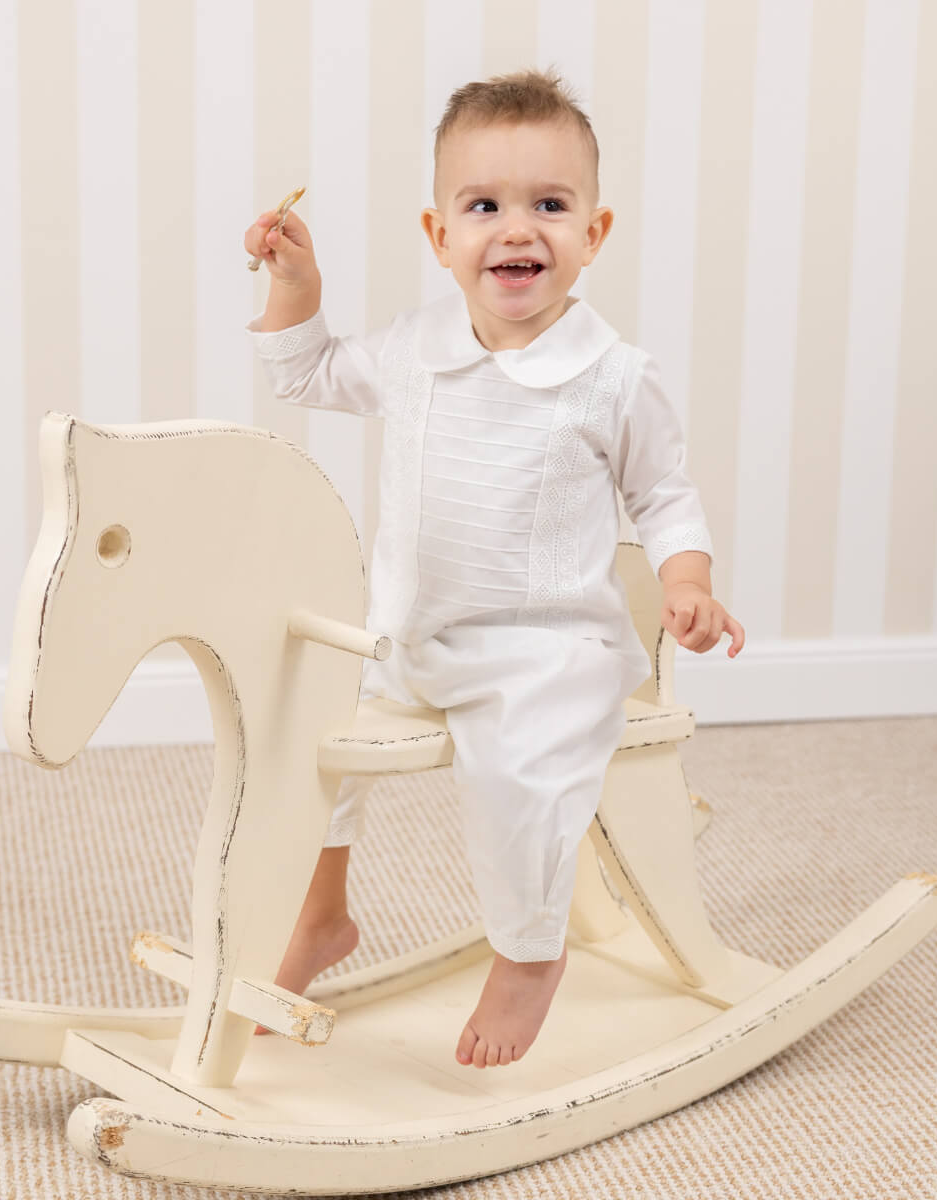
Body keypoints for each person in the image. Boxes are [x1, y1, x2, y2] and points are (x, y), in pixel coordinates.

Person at [243, 68, 744, 1070]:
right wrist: (296, 284)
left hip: (541, 650)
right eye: (485, 207)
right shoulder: (416, 346)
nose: (517, 230)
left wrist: (685, 580)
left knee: (519, 776)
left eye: (548, 206)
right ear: (440, 236)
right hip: (406, 633)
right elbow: (303, 372)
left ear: (594, 234)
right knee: (305, 735)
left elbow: (665, 496)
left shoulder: (611, 375)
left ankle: (529, 952)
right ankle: (321, 913)